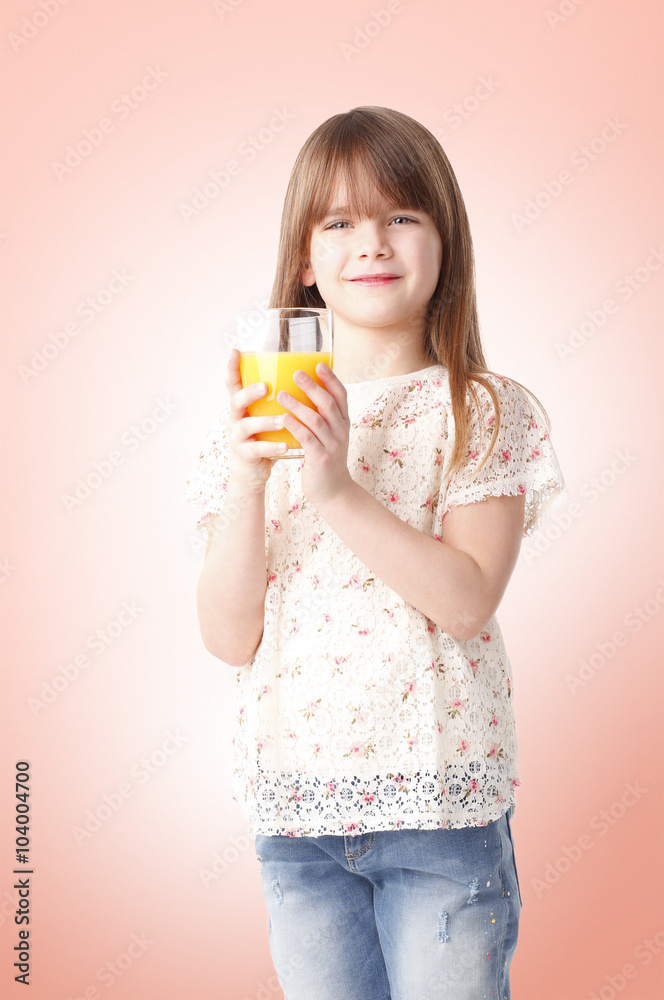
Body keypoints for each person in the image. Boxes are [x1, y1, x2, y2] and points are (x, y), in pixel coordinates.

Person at [183, 106, 568, 1000]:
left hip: (438, 806)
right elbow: (229, 636)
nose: (372, 244)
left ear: (445, 242)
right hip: (298, 814)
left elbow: (466, 600)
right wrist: (249, 482)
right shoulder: (256, 429)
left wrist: (334, 489)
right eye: (339, 223)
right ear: (304, 260)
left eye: (402, 215)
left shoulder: (480, 410)